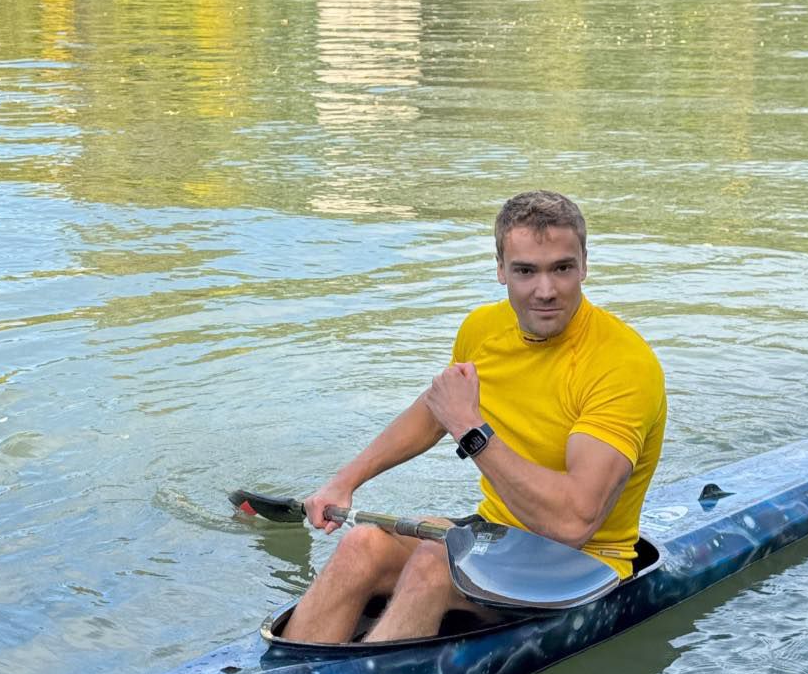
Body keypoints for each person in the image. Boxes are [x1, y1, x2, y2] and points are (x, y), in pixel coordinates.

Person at [285, 191, 666, 645]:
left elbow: (573, 524)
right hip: (498, 540)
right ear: (501, 269)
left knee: (432, 562)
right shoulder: (481, 330)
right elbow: (435, 411)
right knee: (360, 544)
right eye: (526, 271)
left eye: (561, 268)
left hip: (583, 566)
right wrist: (343, 482)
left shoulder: (622, 365)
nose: (545, 290)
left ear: (584, 264)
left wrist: (473, 432)